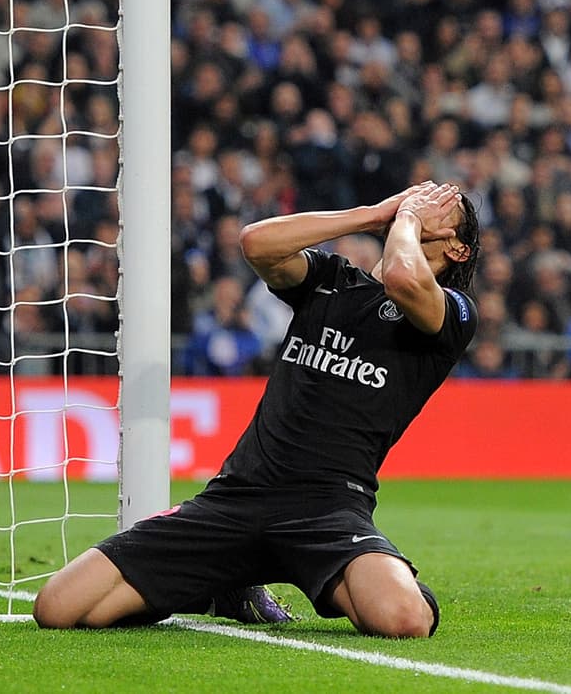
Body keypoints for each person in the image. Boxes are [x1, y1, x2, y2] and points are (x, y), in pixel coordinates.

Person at [32, 181, 481, 635]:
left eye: (441, 207)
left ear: (459, 250)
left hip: (327, 508)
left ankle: (387, 577)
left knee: (403, 620)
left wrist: (407, 219)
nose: (423, 204)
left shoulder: (451, 314)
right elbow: (255, 242)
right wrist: (373, 213)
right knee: (59, 608)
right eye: (420, 198)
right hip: (238, 496)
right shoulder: (330, 281)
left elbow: (404, 279)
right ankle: (224, 585)